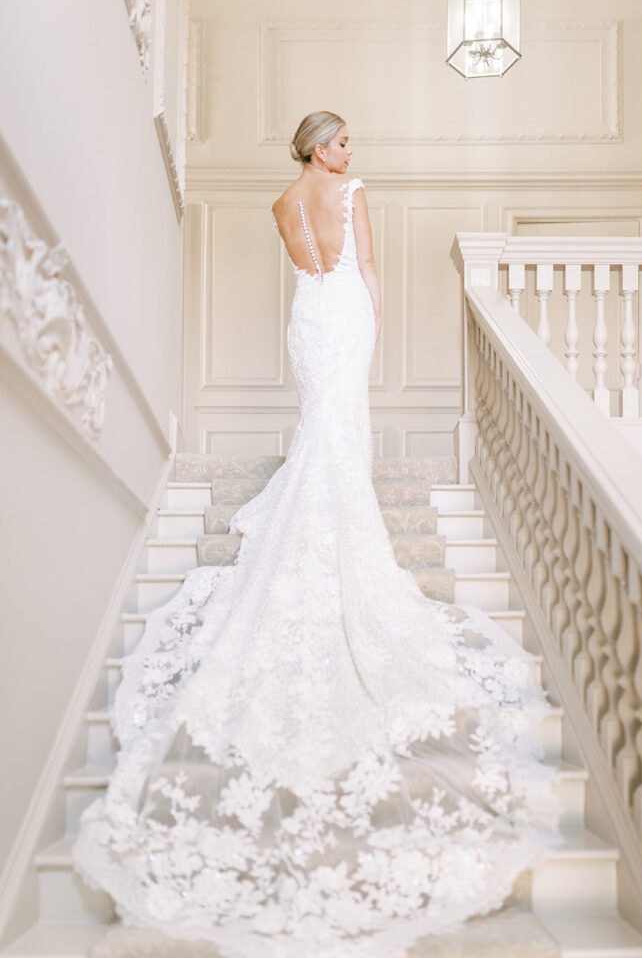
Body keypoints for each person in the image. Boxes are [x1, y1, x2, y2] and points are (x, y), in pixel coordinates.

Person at [73, 110, 563, 958]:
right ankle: (337, 520)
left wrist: (335, 306)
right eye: (338, 140)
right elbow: (363, 264)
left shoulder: (280, 202)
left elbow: (311, 264)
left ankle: (315, 514)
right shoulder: (351, 192)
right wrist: (371, 319)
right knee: (341, 428)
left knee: (320, 426)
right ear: (317, 145)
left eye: (348, 143)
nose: (349, 151)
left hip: (308, 319)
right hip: (342, 317)